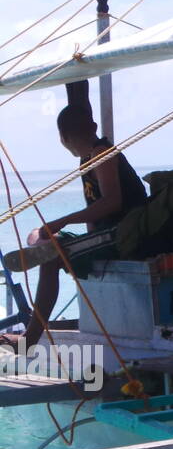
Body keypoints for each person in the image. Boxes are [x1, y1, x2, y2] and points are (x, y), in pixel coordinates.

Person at [2, 107, 147, 352]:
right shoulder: (87, 158)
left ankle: (29, 340)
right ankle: (40, 242)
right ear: (93, 127)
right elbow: (95, 209)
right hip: (104, 233)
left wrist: (64, 221)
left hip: (125, 233)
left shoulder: (102, 152)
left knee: (52, 259)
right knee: (43, 237)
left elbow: (112, 202)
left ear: (63, 138)